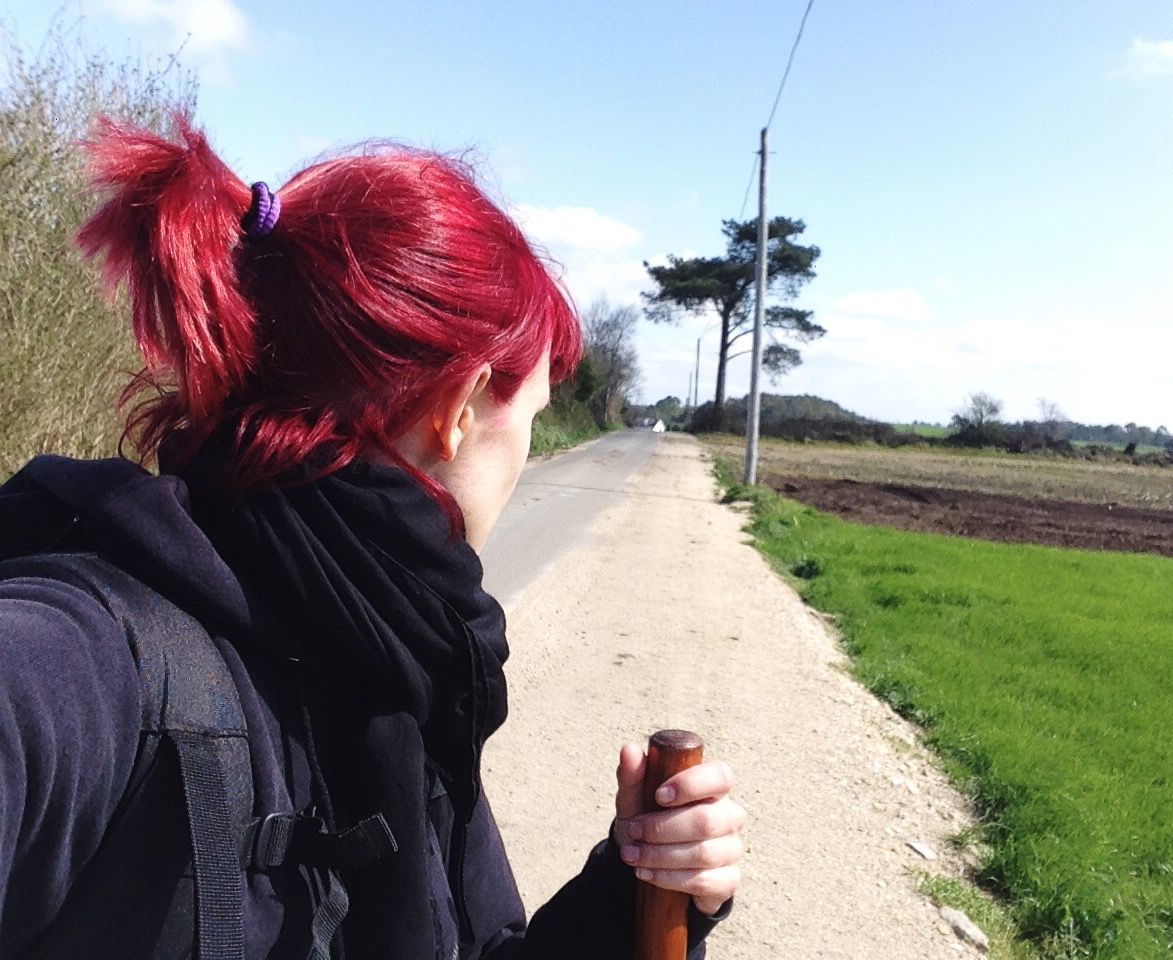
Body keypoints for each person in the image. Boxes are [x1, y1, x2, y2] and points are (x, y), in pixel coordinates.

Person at [0, 115, 743, 959]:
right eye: (531, 415)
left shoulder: (399, 652)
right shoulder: (84, 660)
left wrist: (632, 891)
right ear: (458, 411)